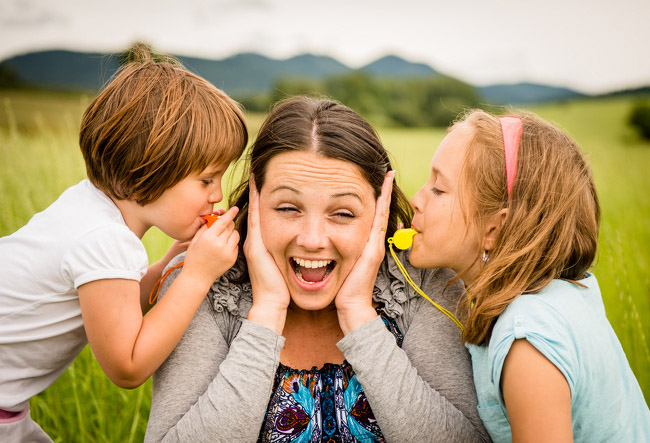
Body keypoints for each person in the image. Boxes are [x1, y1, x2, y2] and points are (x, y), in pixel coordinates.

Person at [145, 96, 490, 442]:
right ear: (255, 204)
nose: (312, 240)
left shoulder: (425, 283)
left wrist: (359, 315)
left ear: (379, 211)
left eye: (343, 213)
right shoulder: (201, 285)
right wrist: (266, 313)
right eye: (287, 208)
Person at [0, 46, 247, 442]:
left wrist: (174, 259)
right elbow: (128, 367)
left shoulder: (88, 210)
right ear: (149, 167)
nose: (217, 195)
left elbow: (121, 305)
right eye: (206, 179)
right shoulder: (105, 239)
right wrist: (197, 276)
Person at [408, 109, 650, 442]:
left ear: (495, 227)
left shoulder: (527, 340)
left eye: (438, 189)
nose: (414, 200)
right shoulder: (566, 293)